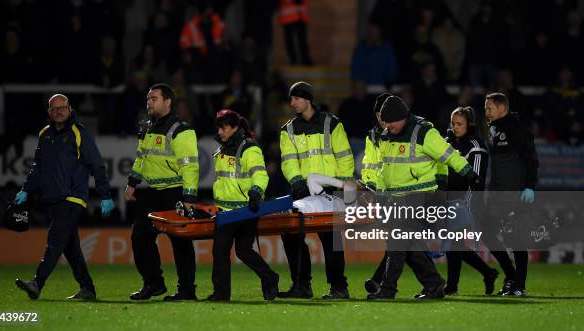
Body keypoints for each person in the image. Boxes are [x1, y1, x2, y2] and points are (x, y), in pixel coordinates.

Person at [367, 95, 482, 300]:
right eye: (385, 122)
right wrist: (382, 196)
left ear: (401, 117)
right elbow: (384, 170)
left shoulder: (424, 132)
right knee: (410, 246)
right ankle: (434, 285)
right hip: (396, 197)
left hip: (420, 195)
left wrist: (469, 172)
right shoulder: (387, 135)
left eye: (391, 122)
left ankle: (388, 289)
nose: (387, 127)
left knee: (396, 241)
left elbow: (449, 154)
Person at [14, 94, 115, 301]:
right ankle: (87, 288)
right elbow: (38, 168)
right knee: (70, 247)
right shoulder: (45, 134)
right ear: (49, 112)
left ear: (70, 109)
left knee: (55, 240)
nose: (59, 111)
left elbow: (96, 165)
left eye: (63, 107)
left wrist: (105, 195)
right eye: (55, 108)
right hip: (52, 199)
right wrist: (26, 189)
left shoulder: (79, 133)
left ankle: (37, 282)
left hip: (73, 198)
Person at [278, 81, 353, 299]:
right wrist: (297, 182)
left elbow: (345, 158)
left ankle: (338, 287)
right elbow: (288, 162)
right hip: (302, 191)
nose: (292, 103)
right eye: (291, 98)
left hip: (329, 192)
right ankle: (302, 285)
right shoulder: (289, 130)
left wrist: (342, 185)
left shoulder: (332, 125)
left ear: (308, 99)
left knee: (330, 241)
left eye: (296, 98)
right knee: (291, 235)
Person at [125, 83, 199, 301]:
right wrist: (132, 183)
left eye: (154, 98)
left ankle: (187, 290)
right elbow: (142, 157)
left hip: (175, 193)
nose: (149, 102)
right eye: (148, 98)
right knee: (139, 237)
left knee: (180, 243)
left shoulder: (181, 129)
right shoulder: (148, 127)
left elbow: (190, 165)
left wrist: (188, 197)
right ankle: (154, 284)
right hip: (153, 193)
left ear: (168, 102)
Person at [205, 110, 279, 301]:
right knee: (230, 251)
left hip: (246, 209)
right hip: (226, 211)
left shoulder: (249, 148)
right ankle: (266, 278)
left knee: (238, 251)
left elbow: (260, 174)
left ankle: (267, 279)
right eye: (219, 127)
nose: (220, 131)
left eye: (224, 127)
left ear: (234, 127)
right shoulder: (221, 149)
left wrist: (256, 192)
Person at [483, 92, 538, 296]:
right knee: (487, 232)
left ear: (502, 108)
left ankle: (519, 286)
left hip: (514, 193)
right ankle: (512, 275)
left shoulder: (517, 129)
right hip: (496, 193)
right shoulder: (493, 128)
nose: (486, 111)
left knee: (516, 239)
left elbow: (531, 159)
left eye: (489, 108)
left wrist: (529, 186)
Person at [440, 106, 499, 295]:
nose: (455, 127)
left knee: (453, 244)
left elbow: (476, 180)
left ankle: (452, 286)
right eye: (453, 123)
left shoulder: (475, 145)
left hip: (464, 200)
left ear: (469, 124)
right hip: (447, 200)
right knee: (454, 245)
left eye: (460, 124)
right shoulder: (447, 141)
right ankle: (488, 273)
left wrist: (471, 206)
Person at [278, 0, 312, 65]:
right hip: (288, 17)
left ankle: (306, 60)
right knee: (290, 41)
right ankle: (294, 60)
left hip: (301, 16)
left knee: (302, 40)